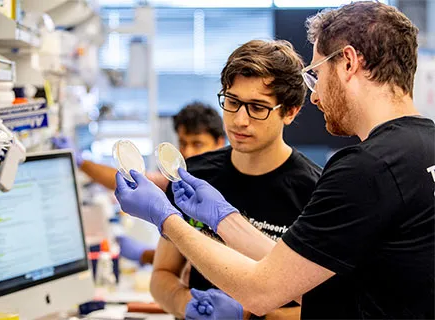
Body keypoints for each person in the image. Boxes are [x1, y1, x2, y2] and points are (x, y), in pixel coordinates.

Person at [114, 2, 435, 319]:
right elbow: (297, 271)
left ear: (348, 63)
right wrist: (224, 219)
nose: (315, 95)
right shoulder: (425, 147)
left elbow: (262, 290)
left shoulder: (367, 168)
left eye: (316, 74)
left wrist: (165, 216)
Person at [148, 39, 322, 319]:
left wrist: (252, 315)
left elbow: (325, 307)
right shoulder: (194, 175)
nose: (240, 120)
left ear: (290, 111)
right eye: (232, 102)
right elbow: (162, 273)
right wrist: (186, 305)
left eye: (257, 107)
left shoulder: (316, 192)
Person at [53, 102, 226, 265]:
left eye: (197, 144)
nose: (187, 152)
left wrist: (143, 254)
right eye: (182, 143)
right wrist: (80, 162)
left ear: (220, 142)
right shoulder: (180, 181)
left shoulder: (226, 187)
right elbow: (131, 178)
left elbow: (217, 258)